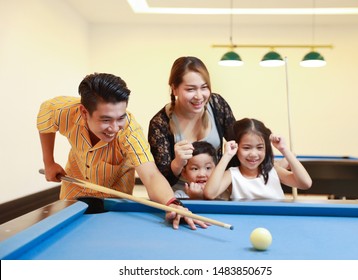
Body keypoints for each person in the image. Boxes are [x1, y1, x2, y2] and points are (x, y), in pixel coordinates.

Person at [37, 72, 208, 230]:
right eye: (105, 120)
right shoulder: (63, 111)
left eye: (120, 118)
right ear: (84, 112)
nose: (114, 128)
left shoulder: (130, 131)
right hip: (74, 187)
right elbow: (45, 117)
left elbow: (150, 175)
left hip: (115, 198)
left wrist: (173, 204)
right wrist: (49, 162)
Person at [148, 56, 236, 198]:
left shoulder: (217, 104)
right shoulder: (159, 124)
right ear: (174, 89)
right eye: (190, 89)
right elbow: (160, 179)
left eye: (204, 87)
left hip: (216, 191)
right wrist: (177, 163)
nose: (199, 96)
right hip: (180, 195)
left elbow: (238, 148)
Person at [203, 118, 312, 200]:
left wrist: (284, 149)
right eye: (246, 148)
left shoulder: (273, 171)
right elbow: (209, 193)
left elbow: (305, 183)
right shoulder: (232, 174)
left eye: (259, 147)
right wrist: (227, 155)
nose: (254, 154)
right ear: (236, 148)